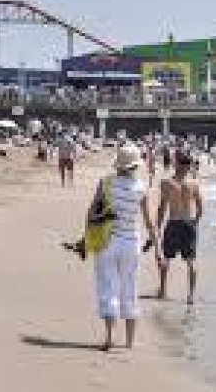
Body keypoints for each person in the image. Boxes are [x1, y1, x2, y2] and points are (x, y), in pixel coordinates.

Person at [91, 143, 158, 351]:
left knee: (107, 287)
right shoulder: (141, 188)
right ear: (136, 165)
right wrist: (158, 250)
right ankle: (129, 342)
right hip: (131, 243)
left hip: (107, 241)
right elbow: (149, 221)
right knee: (130, 288)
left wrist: (88, 238)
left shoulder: (105, 183)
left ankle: (110, 337)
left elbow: (94, 211)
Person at [156, 152, 203, 304]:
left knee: (166, 258)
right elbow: (201, 208)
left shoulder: (167, 183)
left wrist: (157, 226)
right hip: (188, 223)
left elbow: (162, 207)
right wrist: (194, 222)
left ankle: (163, 290)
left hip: (173, 222)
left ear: (176, 164)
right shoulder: (194, 183)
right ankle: (191, 296)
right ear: (188, 166)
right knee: (191, 261)